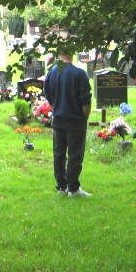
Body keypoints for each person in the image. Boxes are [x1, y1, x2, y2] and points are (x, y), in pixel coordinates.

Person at [44, 47, 92, 197]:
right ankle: (73, 188)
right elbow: (86, 101)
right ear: (72, 53)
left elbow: (48, 95)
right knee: (75, 154)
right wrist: (85, 117)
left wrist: (56, 108)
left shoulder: (51, 73)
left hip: (58, 118)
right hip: (75, 119)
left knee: (58, 153)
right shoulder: (79, 73)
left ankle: (61, 186)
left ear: (60, 54)